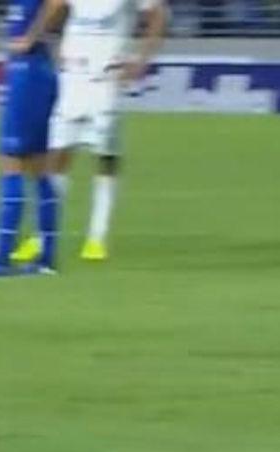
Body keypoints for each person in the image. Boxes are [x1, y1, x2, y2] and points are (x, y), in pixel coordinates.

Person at [10, 0, 168, 263]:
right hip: (72, 75)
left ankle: (97, 237)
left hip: (106, 76)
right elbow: (55, 5)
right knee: (57, 154)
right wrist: (32, 37)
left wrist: (141, 59)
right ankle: (42, 236)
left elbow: (158, 14)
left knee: (105, 155)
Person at [0, 0, 58, 276]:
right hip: (27, 71)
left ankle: (2, 257)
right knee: (37, 167)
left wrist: (30, 38)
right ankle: (46, 259)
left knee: (11, 162)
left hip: (29, 73)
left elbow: (57, 2)